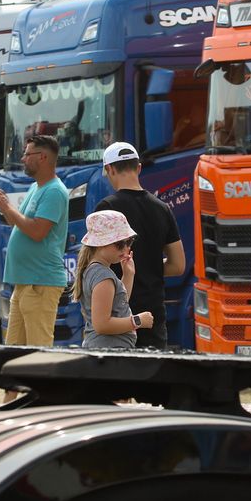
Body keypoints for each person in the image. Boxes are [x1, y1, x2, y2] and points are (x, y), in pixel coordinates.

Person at [95, 141, 185, 349]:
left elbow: (96, 262)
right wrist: (150, 264)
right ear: (139, 168)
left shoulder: (107, 209)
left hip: (116, 315)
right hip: (153, 315)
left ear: (109, 169)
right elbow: (178, 265)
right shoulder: (162, 208)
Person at [0, 135, 69, 346]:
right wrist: (3, 205)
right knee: (14, 352)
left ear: (42, 157)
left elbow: (37, 232)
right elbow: (20, 223)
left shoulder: (54, 191)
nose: (22, 159)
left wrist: (6, 206)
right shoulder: (37, 187)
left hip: (40, 282)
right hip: (25, 283)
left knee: (38, 353)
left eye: (26, 154)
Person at [74, 211, 153, 349]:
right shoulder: (103, 277)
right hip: (109, 353)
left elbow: (118, 306)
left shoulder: (95, 272)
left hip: (106, 351)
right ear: (100, 243)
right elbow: (102, 325)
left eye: (129, 242)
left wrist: (128, 274)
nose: (127, 248)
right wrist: (138, 321)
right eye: (120, 243)